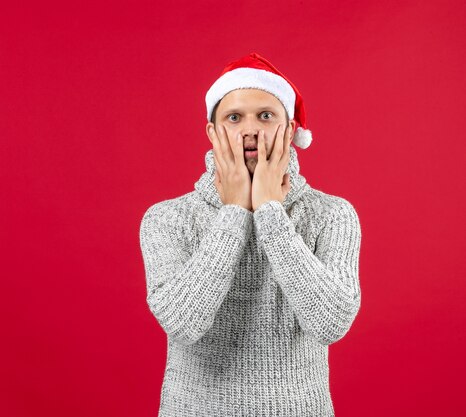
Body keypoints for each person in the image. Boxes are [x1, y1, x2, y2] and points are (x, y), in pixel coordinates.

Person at [138, 52, 362, 417]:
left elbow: (331, 322)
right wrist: (235, 213)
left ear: (290, 129)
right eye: (233, 117)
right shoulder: (167, 218)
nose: (250, 129)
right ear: (213, 131)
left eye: (266, 115)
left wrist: (271, 213)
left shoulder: (332, 215)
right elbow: (181, 323)